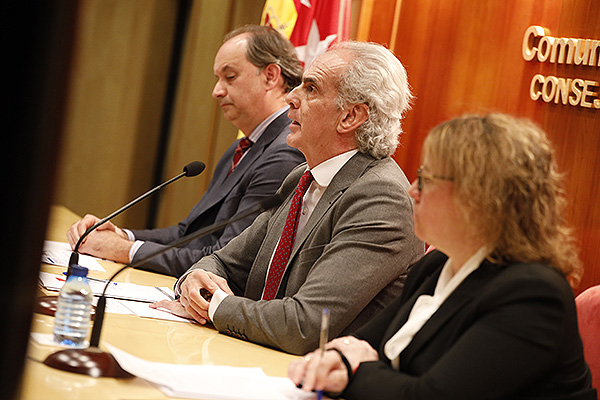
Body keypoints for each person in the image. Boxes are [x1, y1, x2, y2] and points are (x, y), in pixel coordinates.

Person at [289, 113, 597, 399]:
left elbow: (431, 397)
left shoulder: (533, 296)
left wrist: (353, 371)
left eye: (426, 179)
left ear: (477, 198)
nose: (412, 191)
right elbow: (364, 342)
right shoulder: (438, 264)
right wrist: (337, 358)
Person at [152, 41, 424, 355]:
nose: (291, 98)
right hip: (255, 359)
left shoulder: (381, 199)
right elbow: (222, 262)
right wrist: (194, 281)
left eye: (311, 89)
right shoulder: (301, 177)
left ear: (350, 116)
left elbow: (303, 326)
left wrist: (214, 306)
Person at [66, 25, 305, 277]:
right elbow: (187, 233)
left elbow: (225, 259)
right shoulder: (241, 148)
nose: (216, 91)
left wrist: (123, 250)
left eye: (230, 77)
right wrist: (121, 235)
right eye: (217, 79)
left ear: (270, 76)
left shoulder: (283, 153)